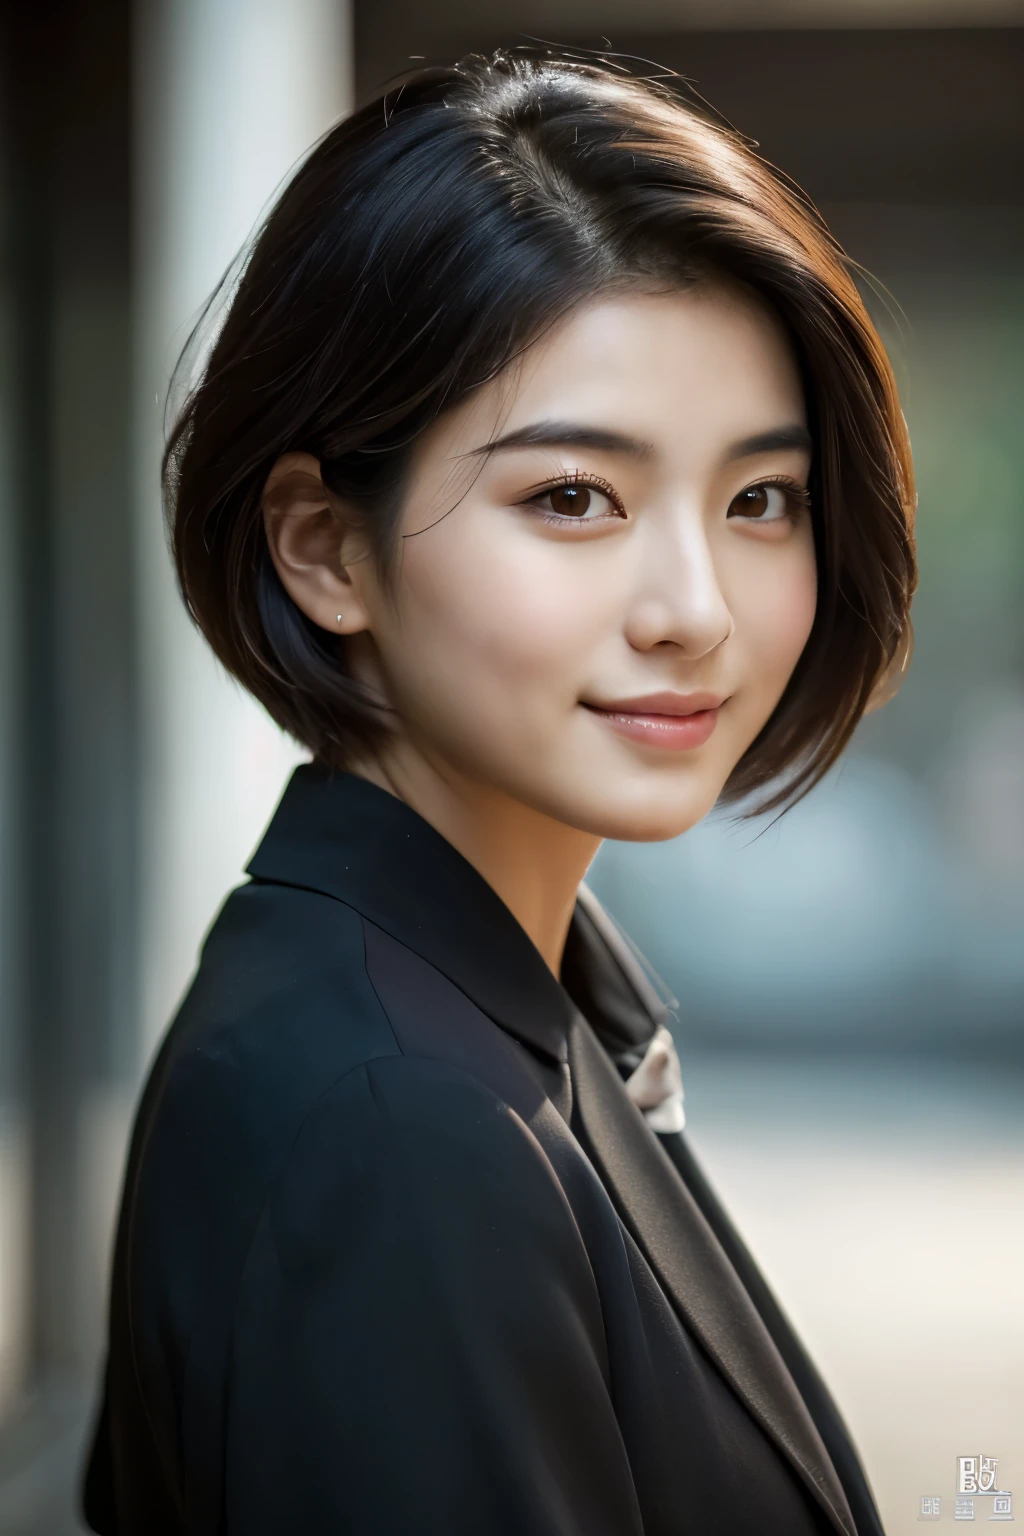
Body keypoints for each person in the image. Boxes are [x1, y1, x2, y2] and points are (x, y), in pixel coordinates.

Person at [82, 49, 915, 1536]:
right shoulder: (397, 1124)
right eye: (573, 497)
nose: (695, 608)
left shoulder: (494, 1002)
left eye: (758, 500)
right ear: (326, 547)